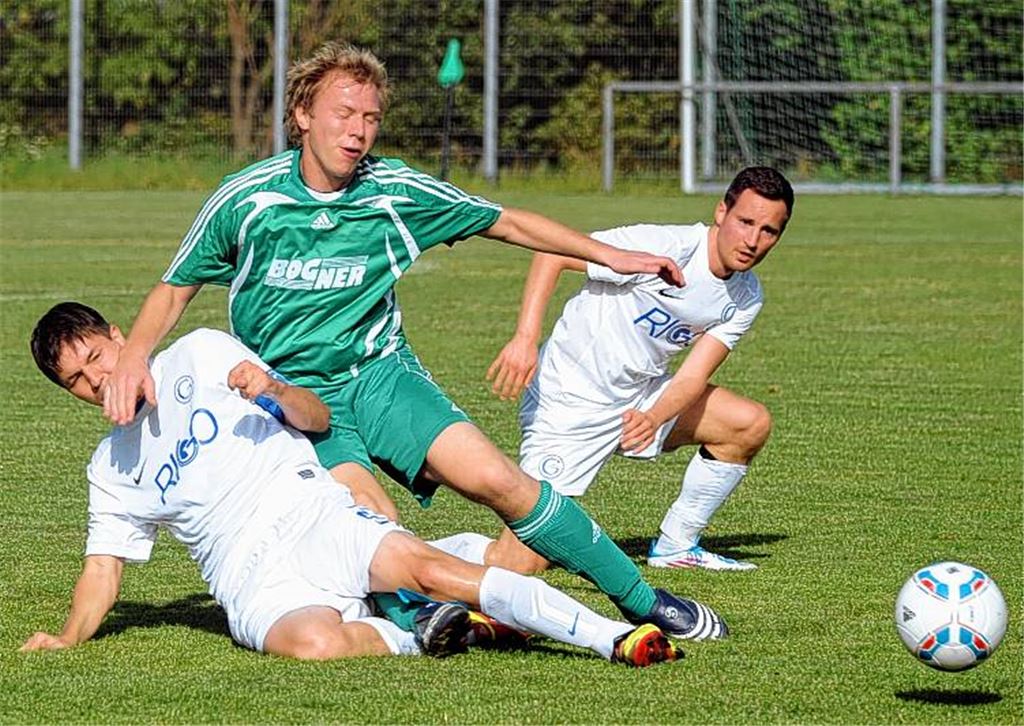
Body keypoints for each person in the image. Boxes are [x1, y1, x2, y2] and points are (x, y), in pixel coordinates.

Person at [98, 41, 726, 641]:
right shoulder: (247, 199)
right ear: (302, 115)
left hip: (382, 376)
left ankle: (645, 600)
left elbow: (505, 222)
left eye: (371, 117)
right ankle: (418, 618)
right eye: (343, 113)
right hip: (295, 404)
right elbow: (175, 287)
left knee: (502, 482)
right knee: (373, 522)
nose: (358, 130)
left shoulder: (394, 191)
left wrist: (611, 255)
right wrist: (132, 358)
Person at [20, 302, 679, 668]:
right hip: (251, 579)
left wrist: (274, 391)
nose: (97, 381)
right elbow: (103, 569)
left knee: (425, 571)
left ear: (117, 337)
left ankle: (611, 637)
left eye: (97, 358)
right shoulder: (110, 468)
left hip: (312, 514)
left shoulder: (199, 351)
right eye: (78, 381)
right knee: (312, 645)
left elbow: (318, 418)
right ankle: (425, 632)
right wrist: (70, 637)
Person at [480, 167, 794, 573]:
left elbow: (691, 378)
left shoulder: (746, 296)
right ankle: (411, 558)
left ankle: (676, 545)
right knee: (522, 562)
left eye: (769, 231)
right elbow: (553, 253)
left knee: (746, 424)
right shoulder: (666, 245)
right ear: (721, 212)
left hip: (638, 397)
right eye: (745, 222)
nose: (752, 240)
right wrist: (525, 337)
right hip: (570, 398)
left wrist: (652, 418)